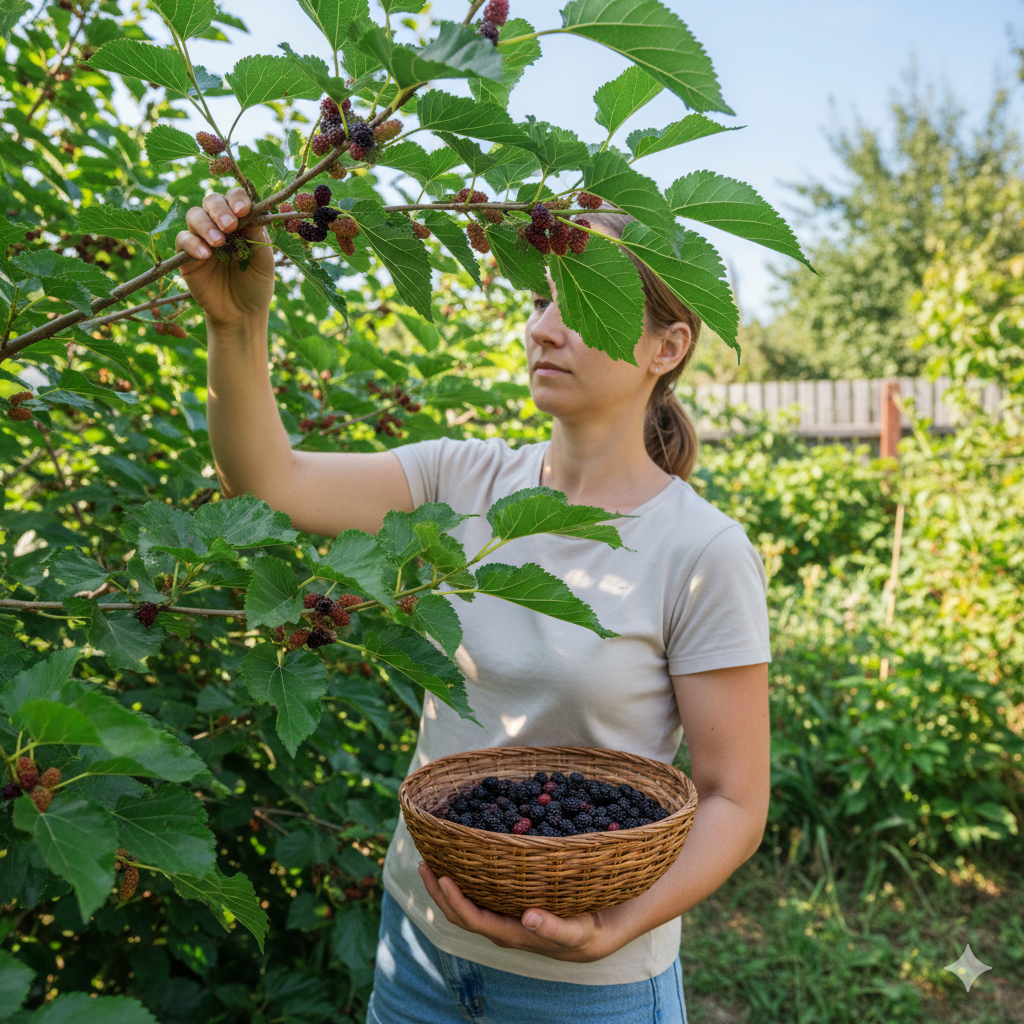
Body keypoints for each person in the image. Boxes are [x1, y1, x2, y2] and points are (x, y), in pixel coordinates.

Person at [177, 190, 772, 1024]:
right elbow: (272, 484)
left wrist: (612, 927)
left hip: (585, 992)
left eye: (580, 305)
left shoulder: (701, 551)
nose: (543, 330)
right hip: (418, 952)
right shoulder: (461, 480)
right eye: (539, 302)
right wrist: (235, 325)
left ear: (666, 348)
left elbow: (734, 800)